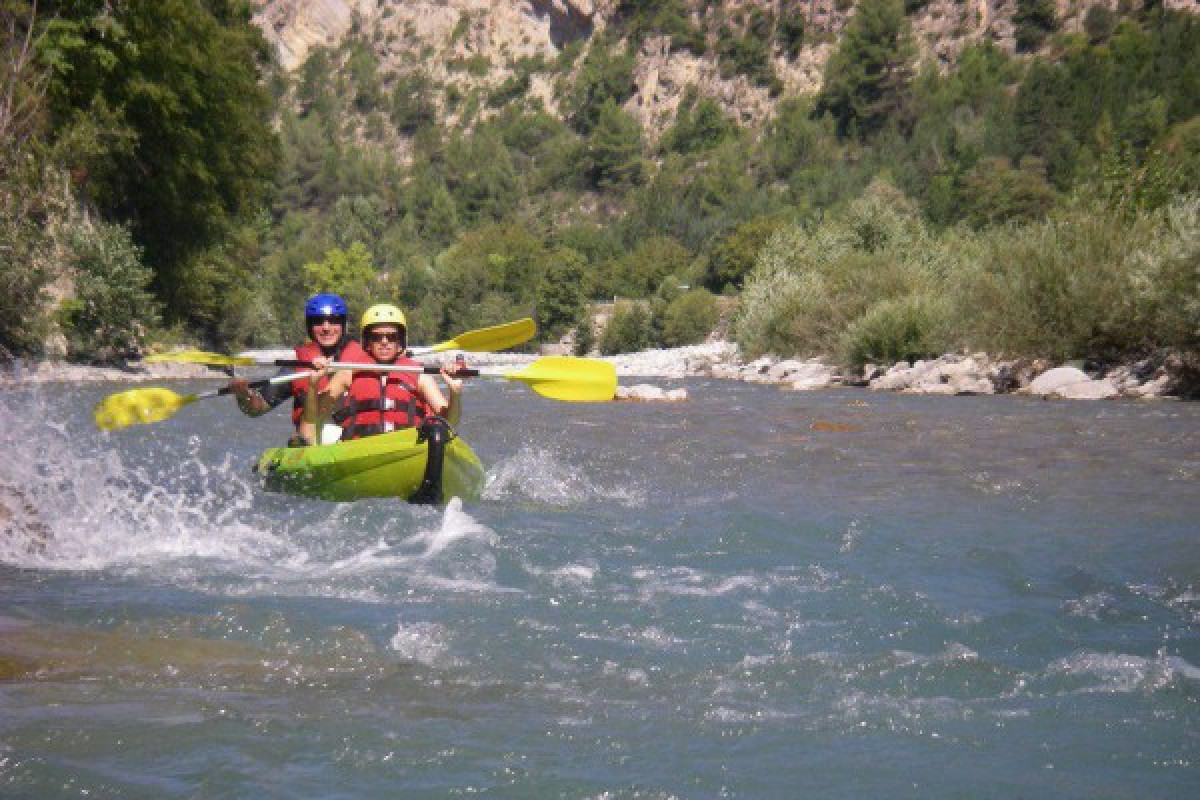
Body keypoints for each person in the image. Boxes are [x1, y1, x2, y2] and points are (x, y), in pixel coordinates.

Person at [299, 303, 465, 444]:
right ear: (367, 341)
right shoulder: (348, 373)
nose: (384, 342)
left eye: (391, 337)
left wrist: (455, 393)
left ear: (400, 341)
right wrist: (313, 385)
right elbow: (310, 422)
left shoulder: (419, 376)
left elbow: (450, 422)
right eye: (377, 337)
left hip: (405, 449)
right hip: (359, 451)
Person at [229, 292, 370, 443]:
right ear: (310, 326)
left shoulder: (363, 360)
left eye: (333, 321)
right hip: (313, 442)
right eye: (318, 322)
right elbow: (255, 409)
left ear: (342, 325)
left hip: (354, 442)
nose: (326, 328)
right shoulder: (296, 369)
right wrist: (243, 395)